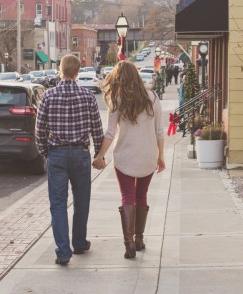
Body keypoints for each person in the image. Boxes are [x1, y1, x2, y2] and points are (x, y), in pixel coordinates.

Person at [35, 54, 104, 265]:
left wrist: (47, 153)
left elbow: (39, 131)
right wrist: (98, 154)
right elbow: (97, 130)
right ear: (77, 72)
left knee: (58, 204)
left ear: (60, 70)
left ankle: (63, 252)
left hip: (57, 153)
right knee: (81, 201)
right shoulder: (88, 96)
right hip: (81, 154)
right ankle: (80, 242)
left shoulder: (48, 96)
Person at [92, 61, 165, 259]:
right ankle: (139, 238)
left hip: (124, 157)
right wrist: (161, 156)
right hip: (148, 155)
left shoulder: (117, 100)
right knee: (142, 195)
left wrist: (100, 155)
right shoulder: (153, 97)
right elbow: (159, 131)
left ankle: (129, 244)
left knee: (127, 196)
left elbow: (109, 133)